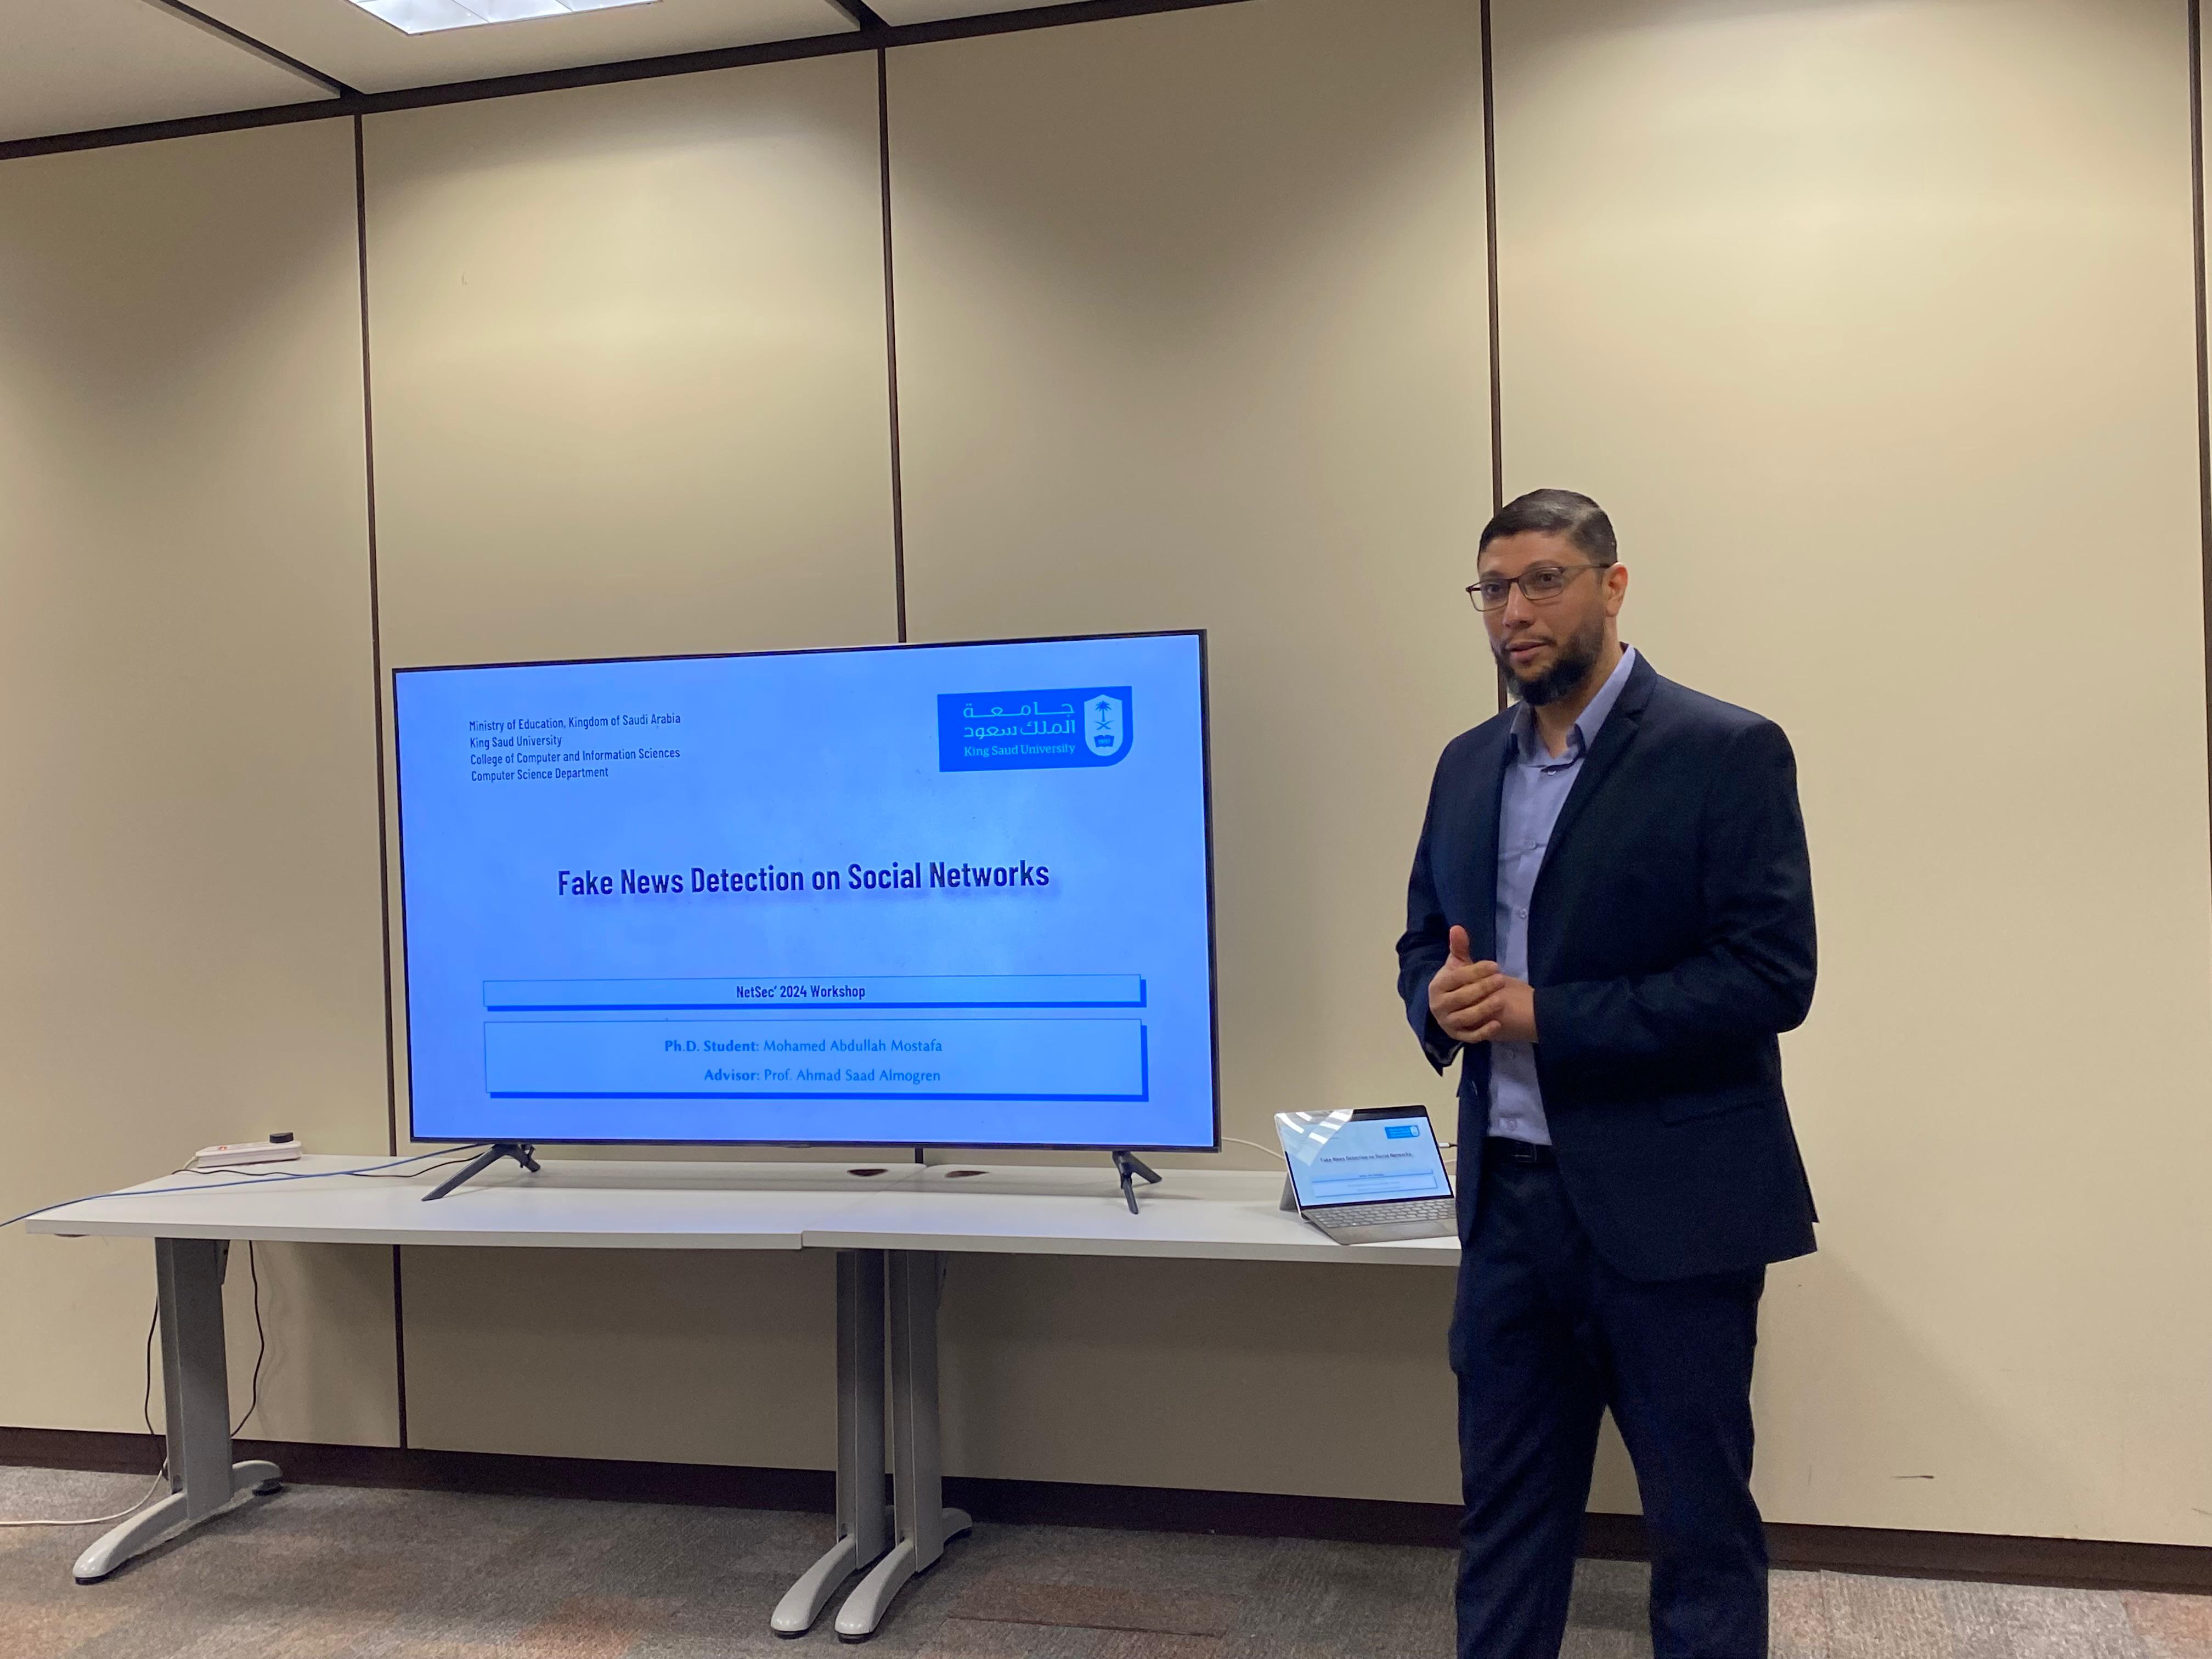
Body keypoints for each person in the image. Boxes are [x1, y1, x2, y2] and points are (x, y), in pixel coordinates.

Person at [1396, 488, 1818, 1659]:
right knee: (1505, 1524)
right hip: (1510, 1212)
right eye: (1494, 589)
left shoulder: (1724, 751)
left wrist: (1549, 1015)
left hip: (1673, 1215)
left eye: (1544, 581)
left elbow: (1770, 978)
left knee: (1697, 1528)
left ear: (1612, 586)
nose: (1515, 612)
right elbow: (1424, 938)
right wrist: (1436, 999)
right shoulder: (1466, 765)